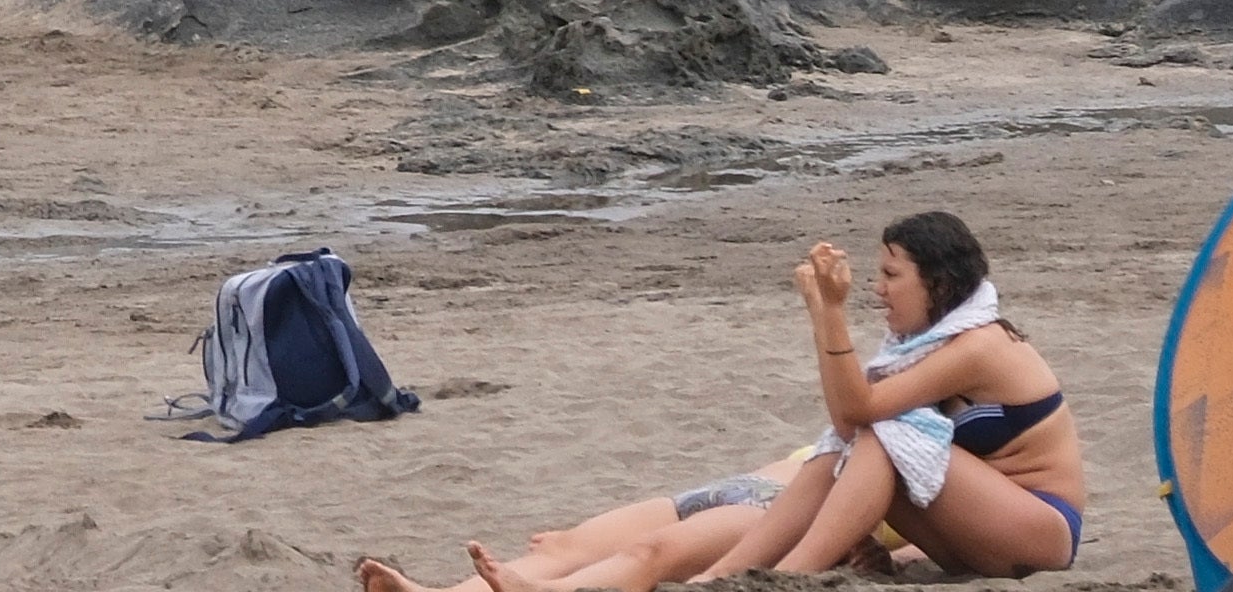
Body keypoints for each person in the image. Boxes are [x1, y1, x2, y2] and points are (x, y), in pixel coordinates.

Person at [365, 212, 1079, 591]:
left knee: (868, 439)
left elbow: (858, 416)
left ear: (940, 281)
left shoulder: (981, 345)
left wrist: (826, 315)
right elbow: (849, 422)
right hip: (934, 521)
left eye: (892, 274)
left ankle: (768, 581)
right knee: (569, 543)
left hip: (1030, 530)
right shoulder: (924, 353)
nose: (877, 286)